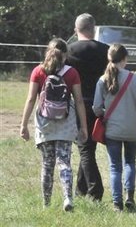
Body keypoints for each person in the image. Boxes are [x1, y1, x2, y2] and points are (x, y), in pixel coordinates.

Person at [19, 38, 87, 211]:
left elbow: (31, 99)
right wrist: (84, 127)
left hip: (44, 122)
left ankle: (46, 204)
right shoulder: (72, 73)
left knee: (47, 164)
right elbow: (79, 101)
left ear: (47, 52)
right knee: (64, 161)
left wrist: (23, 125)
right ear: (65, 55)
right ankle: (67, 198)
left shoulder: (38, 71)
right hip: (66, 121)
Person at [92, 44, 136, 212]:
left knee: (115, 167)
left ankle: (117, 203)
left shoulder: (103, 80)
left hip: (112, 129)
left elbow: (96, 108)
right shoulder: (135, 79)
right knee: (130, 162)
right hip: (133, 128)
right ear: (125, 59)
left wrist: (106, 112)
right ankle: (129, 197)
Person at [67, 13, 109, 201]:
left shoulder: (70, 51)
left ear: (76, 30)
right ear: (94, 28)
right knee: (88, 148)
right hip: (101, 104)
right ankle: (80, 189)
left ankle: (95, 190)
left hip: (79, 103)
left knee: (84, 148)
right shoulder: (105, 50)